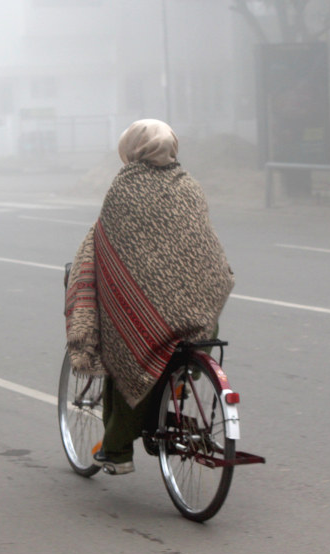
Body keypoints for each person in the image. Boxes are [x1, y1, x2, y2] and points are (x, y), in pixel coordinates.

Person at [64, 119, 234, 475]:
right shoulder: (190, 185)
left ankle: (117, 452)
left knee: (126, 346)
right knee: (170, 349)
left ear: (133, 148)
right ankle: (179, 383)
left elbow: (108, 245)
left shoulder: (125, 187)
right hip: (199, 311)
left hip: (155, 319)